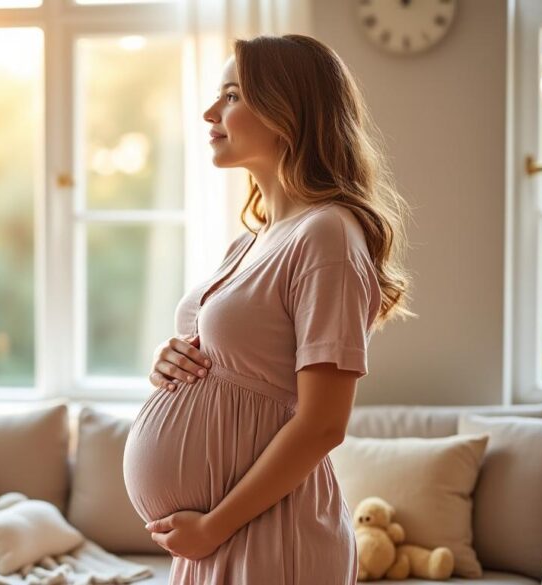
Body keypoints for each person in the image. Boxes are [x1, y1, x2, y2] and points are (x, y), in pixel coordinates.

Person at [121, 34, 416, 584]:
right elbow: (241, 360)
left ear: (289, 113)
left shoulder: (328, 233)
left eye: (232, 96)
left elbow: (323, 424)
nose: (211, 112)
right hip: (218, 537)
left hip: (269, 534)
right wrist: (170, 364)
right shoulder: (252, 241)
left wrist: (213, 526)